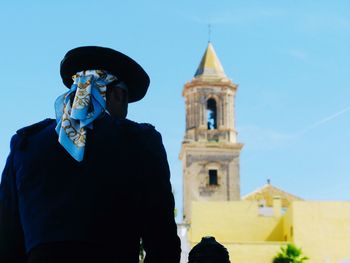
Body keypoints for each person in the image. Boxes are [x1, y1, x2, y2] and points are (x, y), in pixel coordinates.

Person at [0, 46, 181, 263]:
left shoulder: (26, 144)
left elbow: (7, 243)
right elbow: (163, 243)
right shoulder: (140, 141)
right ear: (116, 94)